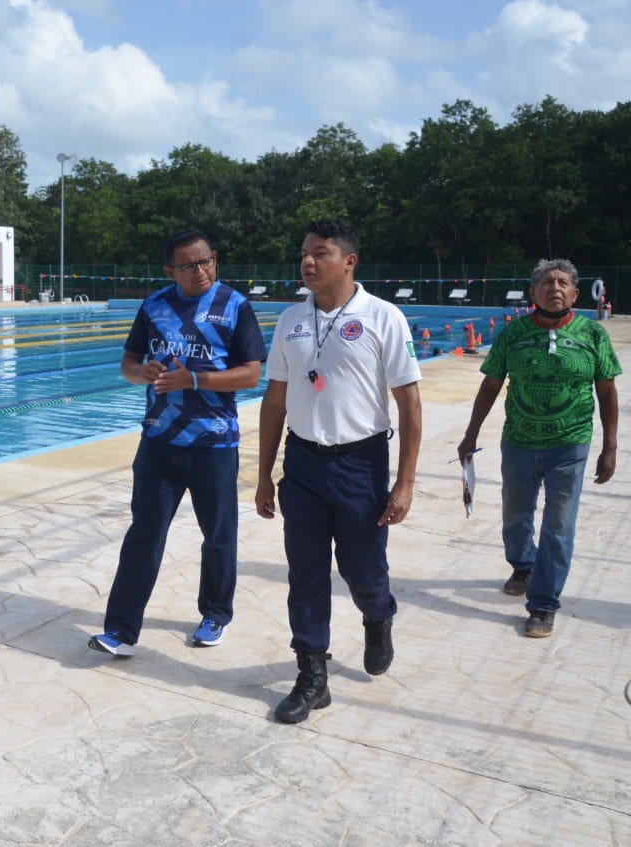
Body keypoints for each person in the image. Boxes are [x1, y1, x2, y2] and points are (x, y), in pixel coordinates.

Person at [255, 219, 422, 724]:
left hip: (360, 465)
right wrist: (264, 473)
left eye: (320, 253)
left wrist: (406, 481)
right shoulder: (290, 320)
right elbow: (275, 398)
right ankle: (311, 675)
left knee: (361, 570)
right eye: (304, 253)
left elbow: (409, 403)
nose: (307, 262)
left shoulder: (383, 317)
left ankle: (378, 613)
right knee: (305, 574)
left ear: (349, 262)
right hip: (302, 462)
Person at [88, 228, 267, 656]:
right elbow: (128, 363)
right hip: (159, 440)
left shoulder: (235, 307)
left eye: (206, 261)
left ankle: (215, 614)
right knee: (144, 534)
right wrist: (142, 372)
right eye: (188, 265)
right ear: (171, 270)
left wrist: (196, 378)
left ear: (215, 260)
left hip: (214, 443)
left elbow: (251, 374)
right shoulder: (154, 306)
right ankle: (121, 631)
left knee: (218, 534)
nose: (200, 270)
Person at [457, 259, 620, 638]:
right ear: (533, 292)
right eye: (547, 282)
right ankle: (523, 565)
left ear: (576, 294)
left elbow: (607, 392)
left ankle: (544, 604)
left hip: (571, 445)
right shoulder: (513, 335)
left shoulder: (593, 335)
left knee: (559, 526)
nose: (555, 288)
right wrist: (471, 434)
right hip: (519, 441)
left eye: (563, 283)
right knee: (516, 516)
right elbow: (491, 385)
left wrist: (609, 445)